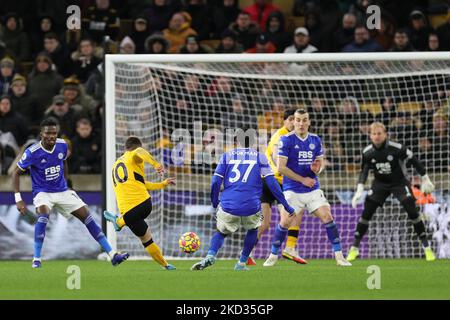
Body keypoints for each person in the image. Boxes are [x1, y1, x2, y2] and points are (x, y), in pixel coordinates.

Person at [12, 117, 129, 268]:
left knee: (87, 216)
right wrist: (18, 199)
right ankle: (36, 259)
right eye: (48, 133)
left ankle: (113, 255)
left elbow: (64, 161)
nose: (51, 136)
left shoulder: (62, 145)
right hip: (43, 192)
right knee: (43, 215)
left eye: (54, 133)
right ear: (41, 134)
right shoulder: (32, 152)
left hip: (62, 190)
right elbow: (15, 173)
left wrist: (67, 184)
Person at [191, 132, 295, 271]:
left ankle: (211, 255)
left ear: (237, 142)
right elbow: (272, 183)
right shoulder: (260, 157)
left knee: (221, 232)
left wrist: (215, 201)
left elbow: (215, 181)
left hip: (228, 205)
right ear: (253, 142)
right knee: (253, 230)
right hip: (251, 206)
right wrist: (286, 205)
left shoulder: (227, 156)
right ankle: (241, 263)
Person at [264, 108, 351, 267]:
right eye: (298, 120)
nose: (301, 123)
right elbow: (281, 167)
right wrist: (302, 179)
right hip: (292, 189)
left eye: (304, 120)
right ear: (294, 122)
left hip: (312, 189)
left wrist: (318, 168)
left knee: (327, 216)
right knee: (285, 221)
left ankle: (339, 257)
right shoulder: (285, 140)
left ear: (309, 122)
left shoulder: (316, 140)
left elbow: (320, 163)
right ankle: (273, 255)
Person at [348, 122, 436, 262]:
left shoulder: (396, 148)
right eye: (374, 134)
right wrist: (359, 189)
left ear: (385, 134)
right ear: (370, 135)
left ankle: (427, 248)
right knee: (367, 212)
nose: (376, 136)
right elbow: (364, 171)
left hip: (399, 183)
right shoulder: (367, 152)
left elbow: (413, 160)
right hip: (380, 184)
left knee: (412, 211)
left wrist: (425, 178)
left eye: (379, 133)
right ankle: (354, 249)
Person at [103, 136, 176, 270]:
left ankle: (119, 222)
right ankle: (118, 222)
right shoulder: (134, 154)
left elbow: (141, 183)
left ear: (125, 148)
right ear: (137, 146)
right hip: (143, 204)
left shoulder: (115, 165)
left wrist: (162, 184)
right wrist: (157, 165)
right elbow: (140, 152)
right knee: (147, 239)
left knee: (147, 240)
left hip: (128, 212)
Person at [259, 108, 307, 265]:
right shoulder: (280, 135)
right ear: (285, 121)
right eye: (292, 119)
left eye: (297, 119)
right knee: (291, 214)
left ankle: (287, 249)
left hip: (275, 181)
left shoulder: (294, 138)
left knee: (278, 219)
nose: (295, 122)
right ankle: (288, 248)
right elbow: (274, 156)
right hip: (272, 181)